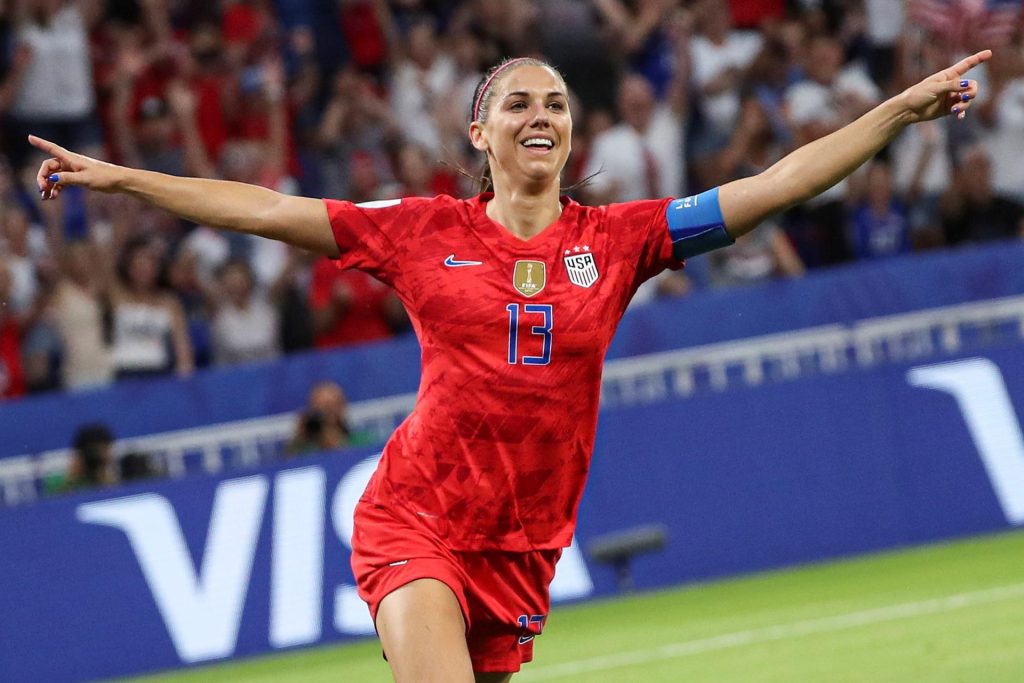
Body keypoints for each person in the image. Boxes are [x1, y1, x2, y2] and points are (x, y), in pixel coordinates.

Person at [29, 48, 991, 682]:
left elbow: (775, 185)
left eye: (559, 104)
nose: (544, 114)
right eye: (520, 102)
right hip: (415, 518)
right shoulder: (417, 233)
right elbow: (261, 208)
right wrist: (121, 178)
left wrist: (896, 114)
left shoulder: (623, 240)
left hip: (523, 548)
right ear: (479, 134)